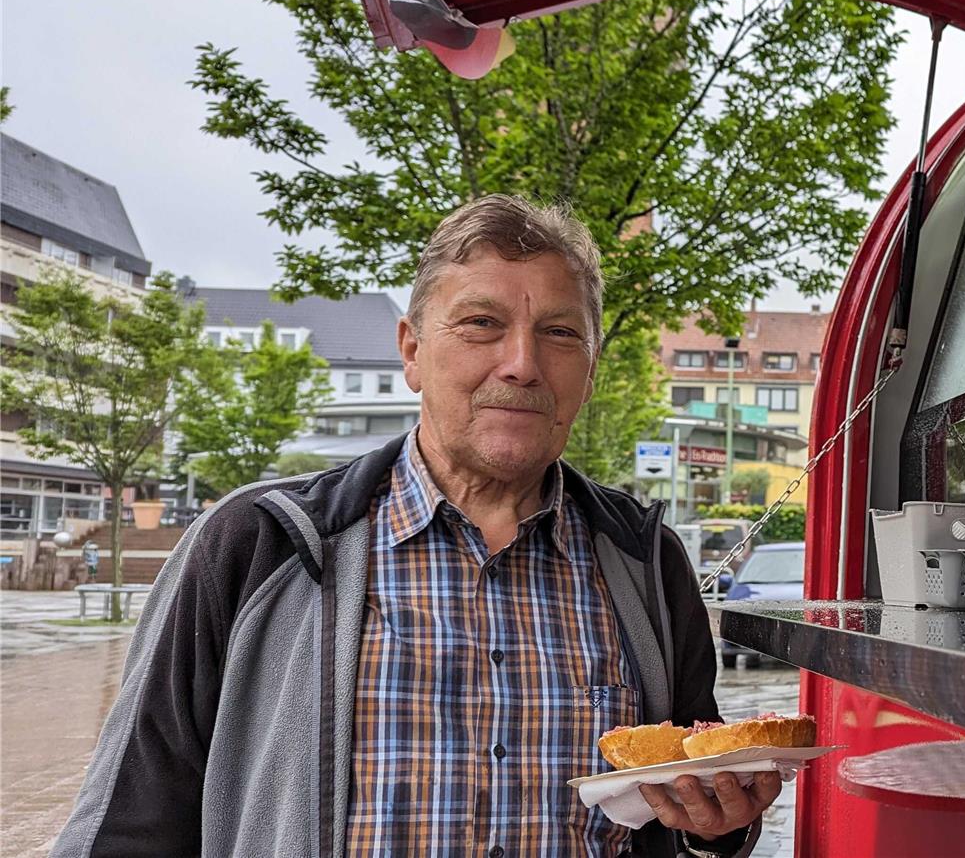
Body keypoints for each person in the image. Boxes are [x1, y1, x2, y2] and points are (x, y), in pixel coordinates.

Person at [54, 196, 774, 857]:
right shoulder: (258, 544)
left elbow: (694, 807)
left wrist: (721, 828)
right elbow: (130, 821)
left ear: (588, 369)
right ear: (411, 350)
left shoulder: (644, 560)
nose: (522, 363)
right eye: (481, 323)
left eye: (558, 332)